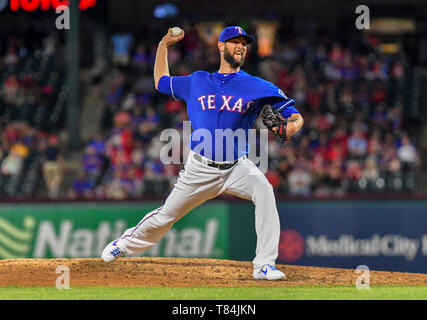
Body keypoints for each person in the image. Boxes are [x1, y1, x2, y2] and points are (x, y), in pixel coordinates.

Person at [102, 26, 304, 280]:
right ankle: (125, 243)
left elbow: (294, 116)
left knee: (264, 191)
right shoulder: (197, 81)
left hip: (236, 167)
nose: (240, 46)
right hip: (200, 167)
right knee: (166, 215)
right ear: (221, 47)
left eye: (244, 43)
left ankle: (264, 265)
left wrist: (293, 126)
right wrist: (163, 45)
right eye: (234, 42)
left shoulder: (257, 86)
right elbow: (161, 82)